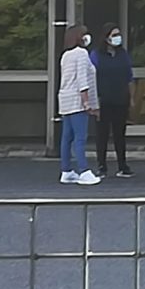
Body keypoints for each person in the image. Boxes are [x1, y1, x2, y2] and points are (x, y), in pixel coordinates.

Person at [57, 24, 101, 186]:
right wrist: (87, 102)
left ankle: (66, 170)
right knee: (80, 138)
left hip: (65, 99)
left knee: (66, 137)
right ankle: (83, 171)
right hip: (77, 100)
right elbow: (82, 79)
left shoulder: (66, 55)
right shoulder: (82, 54)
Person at [91, 22, 135, 178]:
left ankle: (122, 165)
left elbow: (129, 77)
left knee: (119, 134)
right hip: (103, 99)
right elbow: (91, 77)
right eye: (114, 35)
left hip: (120, 98)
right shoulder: (96, 55)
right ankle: (101, 166)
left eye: (118, 35)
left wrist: (131, 98)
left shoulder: (123, 55)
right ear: (106, 38)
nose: (117, 38)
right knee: (102, 134)